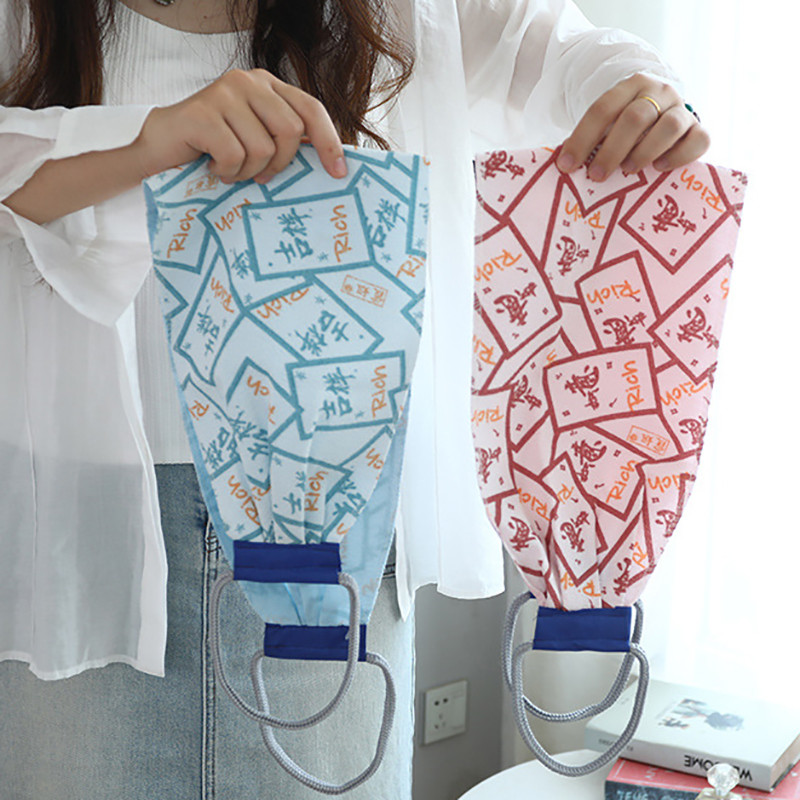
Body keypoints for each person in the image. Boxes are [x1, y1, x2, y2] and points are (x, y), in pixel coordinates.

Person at [0, 0, 709, 797]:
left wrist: (638, 90)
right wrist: (146, 142)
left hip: (335, 520)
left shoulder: (404, 12)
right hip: (82, 530)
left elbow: (556, 51)